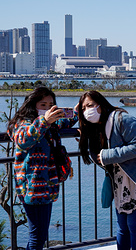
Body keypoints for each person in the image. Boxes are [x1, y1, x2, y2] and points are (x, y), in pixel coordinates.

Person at [77, 91, 136, 250]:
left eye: (91, 105)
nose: (88, 110)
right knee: (122, 227)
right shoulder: (98, 128)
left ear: (101, 104)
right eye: (84, 108)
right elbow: (101, 159)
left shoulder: (122, 119)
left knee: (134, 225)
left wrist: (108, 155)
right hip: (121, 184)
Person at [7, 87, 78, 250]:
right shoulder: (21, 123)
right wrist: (44, 121)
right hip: (31, 187)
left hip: (47, 185)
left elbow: (67, 120)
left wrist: (80, 108)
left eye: (51, 104)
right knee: (37, 236)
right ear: (32, 105)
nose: (47, 108)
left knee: (39, 234)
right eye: (43, 104)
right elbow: (24, 139)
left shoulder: (51, 125)